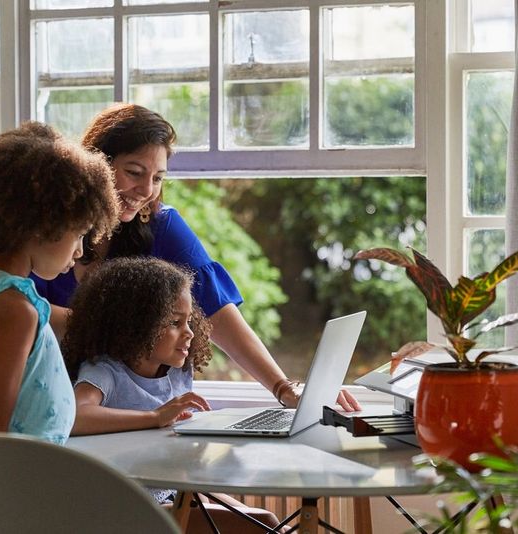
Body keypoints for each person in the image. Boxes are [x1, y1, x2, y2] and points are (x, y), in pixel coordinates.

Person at [32, 103, 360, 411]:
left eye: (158, 178)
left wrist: (282, 386)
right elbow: (12, 307)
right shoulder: (49, 230)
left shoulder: (162, 225)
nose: (147, 189)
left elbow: (216, 312)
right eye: (134, 172)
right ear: (97, 164)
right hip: (48, 400)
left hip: (128, 410)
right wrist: (113, 323)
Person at [0, 122, 119, 534]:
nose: (80, 252)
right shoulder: (16, 311)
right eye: (79, 234)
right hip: (14, 507)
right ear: (41, 223)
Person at [63, 256, 282, 532]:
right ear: (136, 325)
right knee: (262, 526)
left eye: (189, 321)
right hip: (126, 509)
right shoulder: (107, 372)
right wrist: (154, 417)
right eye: (175, 323)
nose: (189, 333)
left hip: (173, 492)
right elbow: (75, 415)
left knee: (270, 523)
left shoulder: (178, 373)